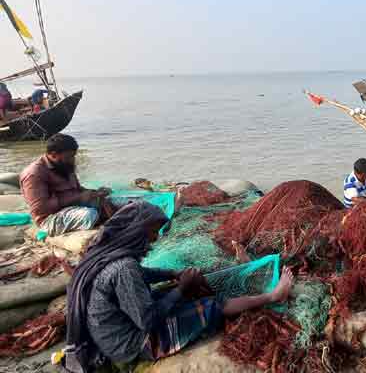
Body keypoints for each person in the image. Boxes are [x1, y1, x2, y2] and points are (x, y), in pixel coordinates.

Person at [63, 201, 294, 371]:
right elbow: (147, 321)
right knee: (212, 305)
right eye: (152, 232)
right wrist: (181, 288)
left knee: (173, 293)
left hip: (112, 332)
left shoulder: (104, 254)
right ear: (136, 230)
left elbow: (143, 274)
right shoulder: (123, 267)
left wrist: (173, 273)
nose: (154, 240)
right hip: (130, 344)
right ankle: (274, 296)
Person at [19, 134, 112, 236]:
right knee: (89, 215)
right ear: (54, 155)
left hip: (73, 208)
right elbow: (40, 208)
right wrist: (79, 198)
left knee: (109, 202)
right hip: (50, 219)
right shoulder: (34, 174)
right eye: (69, 157)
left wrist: (95, 193)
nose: (73, 160)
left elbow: (78, 189)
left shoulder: (64, 166)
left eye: (73, 156)